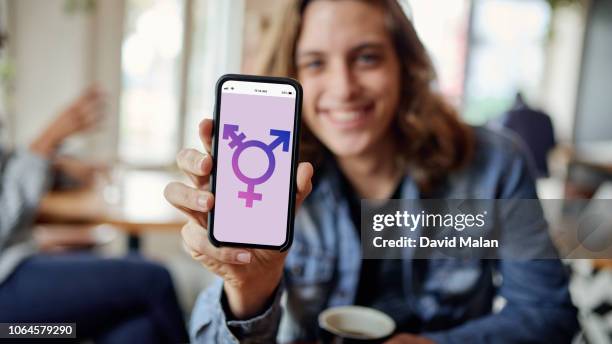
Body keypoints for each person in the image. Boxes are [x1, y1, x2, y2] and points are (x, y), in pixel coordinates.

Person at [164, 0, 579, 343]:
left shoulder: (495, 164)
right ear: (293, 76)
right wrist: (248, 292)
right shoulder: (272, 178)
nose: (343, 88)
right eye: (315, 63)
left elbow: (548, 314)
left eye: (366, 57)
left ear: (405, 65)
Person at [0, 32, 189, 341]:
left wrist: (59, 166)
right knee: (155, 280)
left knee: (138, 330)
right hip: (11, 322)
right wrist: (45, 141)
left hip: (22, 278)